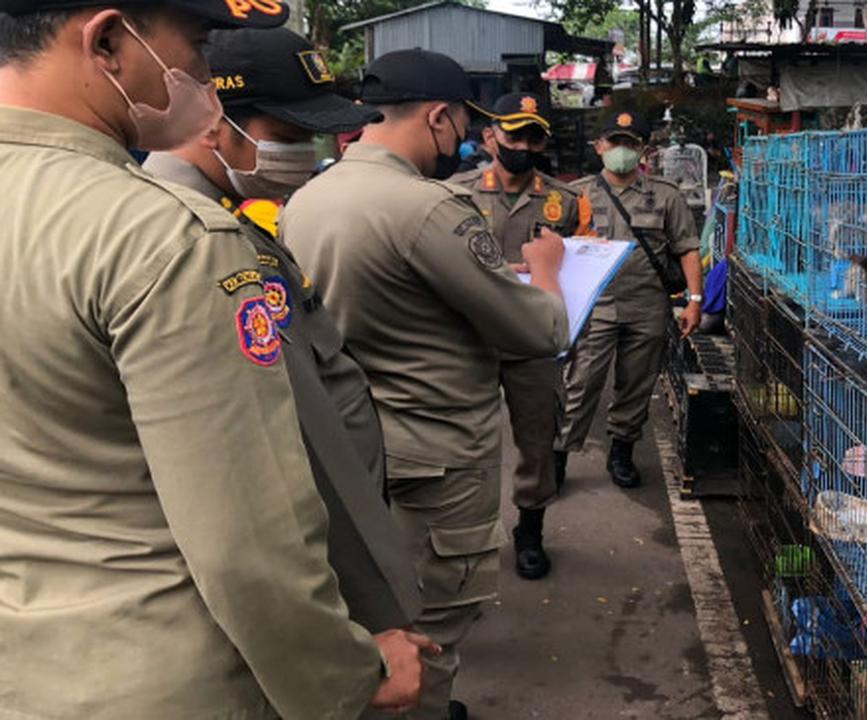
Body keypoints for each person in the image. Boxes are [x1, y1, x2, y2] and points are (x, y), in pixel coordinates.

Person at [0, 1, 433, 719]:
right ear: (108, 40)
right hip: (167, 675)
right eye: (197, 46)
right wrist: (352, 673)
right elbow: (249, 546)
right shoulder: (162, 239)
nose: (205, 76)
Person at [281, 49, 570, 720]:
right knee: (431, 632)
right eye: (465, 124)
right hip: (435, 457)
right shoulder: (427, 210)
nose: (465, 139)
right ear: (439, 116)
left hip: (354, 447)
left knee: (376, 612)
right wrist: (547, 268)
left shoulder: (308, 198)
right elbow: (539, 330)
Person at [142, 25, 423, 642]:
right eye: (289, 137)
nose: (305, 152)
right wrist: (378, 615)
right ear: (212, 120)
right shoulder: (201, 247)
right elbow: (305, 442)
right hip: (301, 582)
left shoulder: (214, 221)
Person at [452, 92, 579, 581]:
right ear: (490, 137)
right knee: (464, 441)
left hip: (531, 341)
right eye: (514, 134)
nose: (523, 145)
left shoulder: (564, 202)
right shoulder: (456, 194)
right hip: (472, 338)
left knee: (537, 438)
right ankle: (464, 534)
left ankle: (530, 529)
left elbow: (580, 264)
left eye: (534, 136)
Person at [556, 111, 704, 489]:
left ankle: (621, 451)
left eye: (630, 143)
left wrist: (694, 300)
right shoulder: (577, 195)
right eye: (614, 142)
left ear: (643, 150)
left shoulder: (665, 195)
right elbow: (552, 247)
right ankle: (556, 455)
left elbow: (687, 248)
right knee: (581, 384)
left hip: (647, 307)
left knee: (636, 385)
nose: (621, 150)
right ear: (599, 146)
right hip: (594, 308)